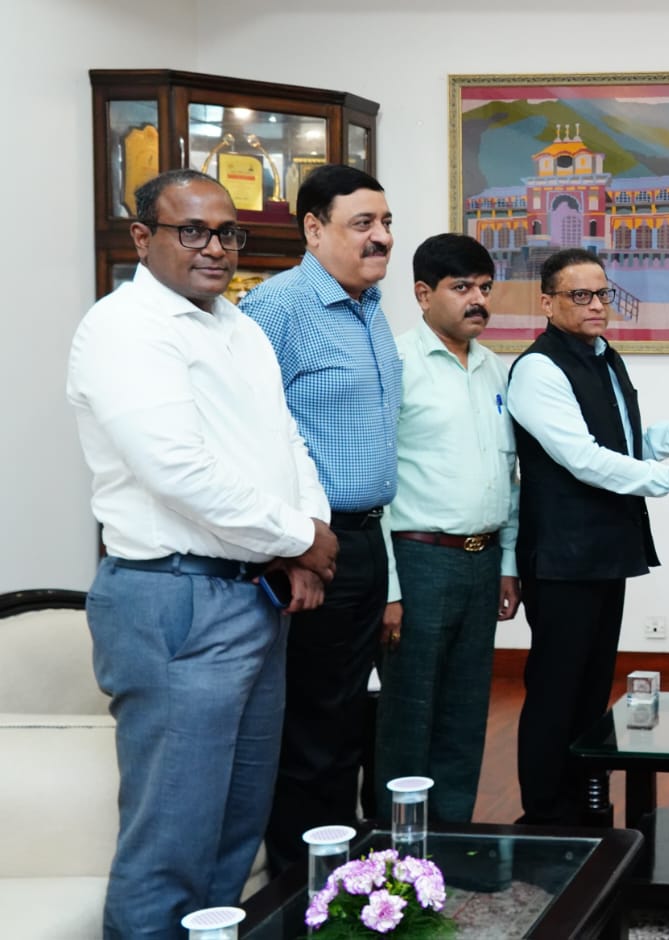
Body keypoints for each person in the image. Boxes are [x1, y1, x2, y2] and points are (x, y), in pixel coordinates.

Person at [66, 169, 337, 937]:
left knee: (234, 837)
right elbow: (178, 470)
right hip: (174, 598)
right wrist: (301, 539)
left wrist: (305, 539)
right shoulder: (123, 329)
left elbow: (286, 443)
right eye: (192, 231)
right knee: (171, 845)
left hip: (252, 595)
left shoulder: (239, 327)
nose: (215, 248)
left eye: (227, 233)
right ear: (142, 237)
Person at [508, 248, 669, 824]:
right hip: (561, 558)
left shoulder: (605, 359)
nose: (596, 305)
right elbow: (587, 462)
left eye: (603, 294)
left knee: (591, 691)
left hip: (605, 551)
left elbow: (628, 448)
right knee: (557, 691)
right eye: (580, 295)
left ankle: (586, 810)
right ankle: (545, 819)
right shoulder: (538, 370)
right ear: (548, 303)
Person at [242, 164, 403, 872]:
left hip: (365, 540)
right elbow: (250, 436)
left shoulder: (371, 309)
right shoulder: (275, 309)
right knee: (311, 728)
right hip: (310, 545)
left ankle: (342, 880)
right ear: (313, 229)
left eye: (387, 223)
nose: (382, 237)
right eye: (363, 223)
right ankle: (300, 889)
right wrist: (291, 548)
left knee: (345, 721)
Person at [372, 233, 521, 823]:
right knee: (409, 714)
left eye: (485, 287)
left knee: (465, 711)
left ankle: (452, 840)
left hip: (482, 562)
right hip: (419, 560)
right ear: (422, 294)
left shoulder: (493, 369)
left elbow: (508, 475)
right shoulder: (395, 364)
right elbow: (375, 482)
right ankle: (396, 852)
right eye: (462, 288)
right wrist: (390, 589)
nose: (478, 300)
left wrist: (507, 563)